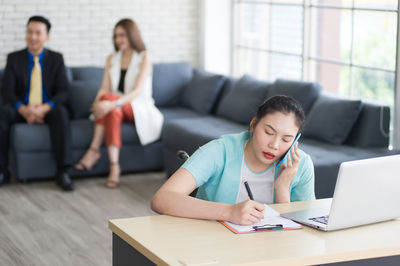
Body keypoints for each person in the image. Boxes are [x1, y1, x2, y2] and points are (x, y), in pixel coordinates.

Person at [151, 95, 315, 225]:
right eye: (268, 132)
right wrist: (229, 212)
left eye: (286, 140)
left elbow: (304, 227)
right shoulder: (219, 151)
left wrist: (282, 189)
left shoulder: (301, 165)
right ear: (253, 124)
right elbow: (162, 199)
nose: (274, 145)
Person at [74, 18, 163, 188]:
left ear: (132, 35)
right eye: (116, 36)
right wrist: (98, 105)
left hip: (139, 106)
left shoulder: (144, 58)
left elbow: (137, 91)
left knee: (109, 102)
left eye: (122, 35)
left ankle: (93, 151)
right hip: (117, 107)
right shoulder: (111, 58)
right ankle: (115, 166)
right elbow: (104, 88)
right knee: (111, 109)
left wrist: (109, 103)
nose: (118, 40)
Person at [0, 16, 74, 191]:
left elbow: (64, 91)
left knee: (61, 113)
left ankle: (63, 172)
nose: (33, 37)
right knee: (2, 114)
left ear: (46, 36)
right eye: (30, 32)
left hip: (47, 108)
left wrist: (45, 108)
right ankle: (2, 171)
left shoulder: (56, 59)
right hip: (21, 108)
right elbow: (7, 91)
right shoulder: (13, 58)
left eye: (38, 33)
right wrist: (24, 110)